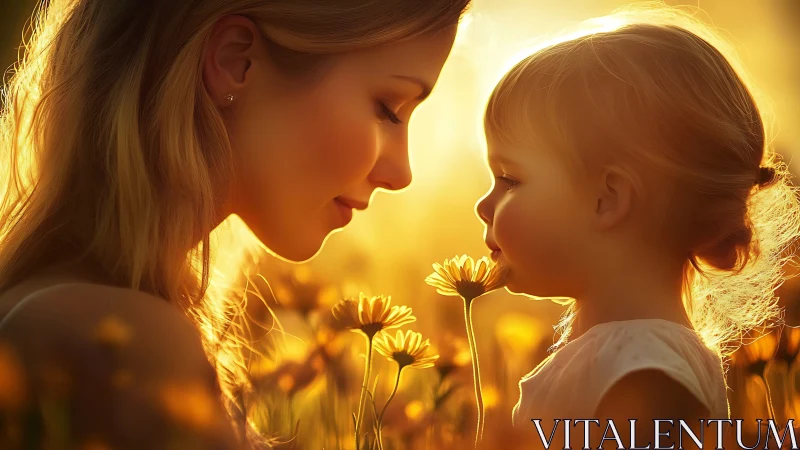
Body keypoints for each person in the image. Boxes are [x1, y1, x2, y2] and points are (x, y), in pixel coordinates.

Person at [0, 0, 470, 448]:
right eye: (388, 108)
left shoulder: (72, 310)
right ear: (234, 60)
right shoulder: (116, 340)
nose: (401, 173)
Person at [475, 9, 800, 450]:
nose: (483, 206)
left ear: (607, 199)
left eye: (510, 179)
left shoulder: (642, 372)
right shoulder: (633, 353)